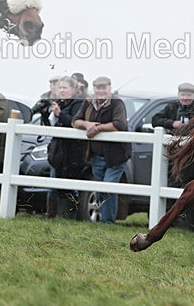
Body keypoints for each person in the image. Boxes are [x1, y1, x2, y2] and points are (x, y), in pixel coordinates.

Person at [73, 76, 129, 224]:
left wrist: (97, 128)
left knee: (108, 187)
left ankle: (108, 221)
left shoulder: (117, 103)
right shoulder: (88, 102)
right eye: (98, 88)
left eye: (104, 88)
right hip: (97, 154)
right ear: (94, 89)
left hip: (116, 154)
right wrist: (87, 124)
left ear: (110, 88)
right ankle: (103, 220)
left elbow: (120, 124)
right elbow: (75, 121)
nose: (101, 91)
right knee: (99, 188)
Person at [152, 82, 194, 231]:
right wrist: (171, 123)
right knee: (170, 187)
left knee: (189, 191)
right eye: (183, 95)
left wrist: (186, 128)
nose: (185, 98)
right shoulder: (171, 107)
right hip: (173, 156)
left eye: (189, 95)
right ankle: (170, 224)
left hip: (191, 157)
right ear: (178, 95)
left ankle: (190, 227)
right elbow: (155, 119)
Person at [42, 76, 86, 219]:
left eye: (65, 88)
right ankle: (52, 215)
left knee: (69, 185)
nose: (62, 90)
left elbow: (74, 122)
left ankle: (69, 216)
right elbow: (49, 126)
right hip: (57, 151)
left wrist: (59, 114)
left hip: (72, 152)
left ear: (73, 90)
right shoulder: (58, 103)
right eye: (60, 87)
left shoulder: (78, 103)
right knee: (54, 183)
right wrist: (45, 113)